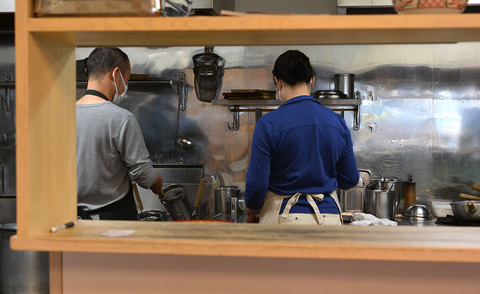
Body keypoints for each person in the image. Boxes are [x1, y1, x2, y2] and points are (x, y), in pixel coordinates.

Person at [244, 50, 359, 225]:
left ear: (278, 82)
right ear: (312, 80)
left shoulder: (267, 124)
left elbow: (257, 186)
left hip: (283, 219)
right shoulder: (337, 122)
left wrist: (252, 210)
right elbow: (350, 179)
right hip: (329, 220)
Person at [76, 47, 163, 220]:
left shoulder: (61, 116)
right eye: (127, 80)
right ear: (116, 74)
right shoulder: (122, 118)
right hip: (112, 220)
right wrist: (158, 182)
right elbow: (141, 173)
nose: (125, 87)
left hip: (71, 219)